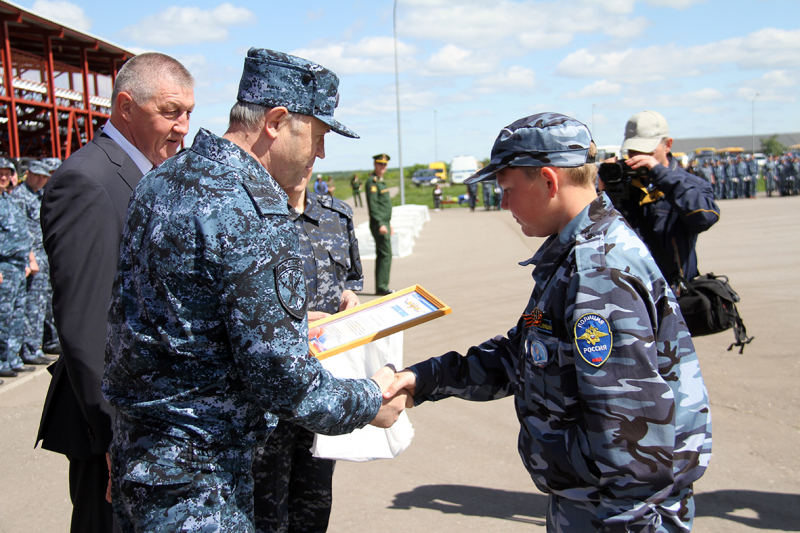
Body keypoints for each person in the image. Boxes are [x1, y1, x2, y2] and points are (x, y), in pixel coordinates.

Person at [102, 48, 406, 532]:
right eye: (319, 135)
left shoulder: (163, 180)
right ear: (277, 121)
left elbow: (147, 324)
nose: (321, 153)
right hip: (206, 483)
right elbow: (282, 380)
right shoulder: (255, 210)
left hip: (143, 461)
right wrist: (371, 399)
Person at [386, 112, 712, 532]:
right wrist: (421, 379)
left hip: (616, 513)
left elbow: (631, 438)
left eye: (507, 190)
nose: (503, 204)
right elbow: (523, 352)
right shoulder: (575, 252)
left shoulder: (599, 271)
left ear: (548, 180)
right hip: (589, 500)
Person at [36, 52, 195, 533]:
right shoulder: (88, 181)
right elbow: (85, 323)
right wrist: (112, 436)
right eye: (170, 112)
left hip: (149, 417)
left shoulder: (149, 176)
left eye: (188, 112)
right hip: (112, 426)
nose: (183, 127)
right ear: (125, 107)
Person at [253, 162, 364, 532]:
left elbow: (351, 280)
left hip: (326, 385)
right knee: (266, 507)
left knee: (315, 502)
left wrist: (350, 297)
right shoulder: (253, 219)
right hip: (272, 396)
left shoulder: (337, 215)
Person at [605, 110, 719, 283]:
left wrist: (660, 174)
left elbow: (704, 218)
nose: (639, 157)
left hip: (672, 293)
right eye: (633, 151)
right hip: (628, 292)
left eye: (647, 151)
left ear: (667, 145)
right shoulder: (619, 182)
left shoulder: (691, 184)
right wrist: (600, 189)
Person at [13, 160, 56, 366]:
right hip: (30, 259)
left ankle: (37, 344)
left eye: (44, 176)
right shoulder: (20, 197)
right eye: (36, 175)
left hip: (42, 256)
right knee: (30, 306)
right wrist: (30, 258)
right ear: (27, 174)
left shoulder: (38, 195)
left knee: (40, 304)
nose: (40, 179)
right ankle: (29, 348)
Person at [0, 157, 37, 380]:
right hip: (3, 265)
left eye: (7, 173)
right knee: (2, 316)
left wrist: (28, 260)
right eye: (0, 172)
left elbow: (23, 233)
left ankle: (11, 359)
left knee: (16, 315)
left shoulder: (9, 200)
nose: (3, 177)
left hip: (17, 265)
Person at [366, 153, 393, 295]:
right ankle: (382, 286)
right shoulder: (373, 182)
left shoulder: (380, 181)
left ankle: (382, 286)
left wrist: (388, 224)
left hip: (384, 223)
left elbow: (383, 206)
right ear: (375, 164)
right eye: (380, 164)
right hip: (379, 224)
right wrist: (381, 223)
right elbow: (373, 205)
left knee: (384, 254)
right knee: (386, 254)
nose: (382, 167)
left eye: (384, 164)